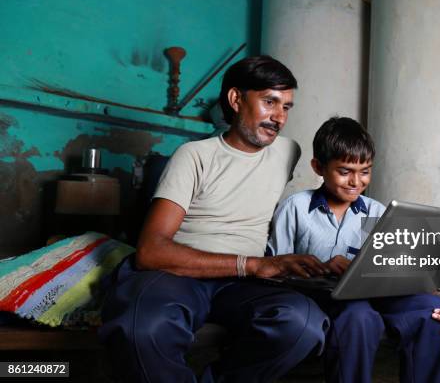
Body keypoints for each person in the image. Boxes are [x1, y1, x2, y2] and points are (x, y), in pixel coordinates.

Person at [98, 56, 331, 383]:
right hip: (180, 273)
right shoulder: (194, 155)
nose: (279, 117)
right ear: (236, 99)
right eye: (269, 102)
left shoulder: (288, 151)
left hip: (243, 287)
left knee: (302, 323)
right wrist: (254, 264)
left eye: (287, 107)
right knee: (142, 325)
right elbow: (150, 251)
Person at [267, 117, 440, 383]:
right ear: (319, 167)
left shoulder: (377, 212)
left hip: (375, 295)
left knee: (435, 310)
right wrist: (323, 266)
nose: (356, 181)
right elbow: (273, 272)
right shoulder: (295, 208)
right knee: (359, 316)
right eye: (345, 171)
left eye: (365, 171)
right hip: (321, 299)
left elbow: (400, 272)